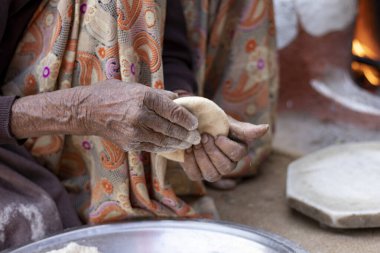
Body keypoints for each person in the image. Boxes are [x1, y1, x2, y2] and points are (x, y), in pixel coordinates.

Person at [0, 0, 278, 250]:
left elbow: (167, 46)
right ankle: (88, 179)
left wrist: (180, 106)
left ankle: (144, 166)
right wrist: (79, 110)